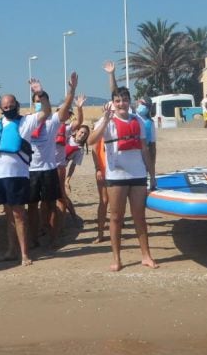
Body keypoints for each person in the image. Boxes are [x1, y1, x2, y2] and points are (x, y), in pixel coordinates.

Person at [88, 85, 158, 271]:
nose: (121, 103)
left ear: (130, 102)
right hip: (116, 176)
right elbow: (90, 141)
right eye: (117, 100)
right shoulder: (107, 122)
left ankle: (146, 256)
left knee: (139, 217)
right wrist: (104, 119)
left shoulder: (139, 121)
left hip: (138, 175)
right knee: (116, 218)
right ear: (112, 102)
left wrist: (152, 174)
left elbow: (144, 149)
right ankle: (117, 259)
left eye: (125, 100)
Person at [0, 88, 51, 265]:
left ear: (17, 106)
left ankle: (25, 254)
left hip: (17, 175)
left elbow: (46, 112)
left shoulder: (25, 122)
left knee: (19, 214)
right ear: (1, 108)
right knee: (8, 215)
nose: (8, 109)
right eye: (5, 106)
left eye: (11, 105)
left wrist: (41, 94)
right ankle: (11, 250)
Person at [26, 73, 77, 247]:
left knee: (51, 204)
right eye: (36, 100)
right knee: (32, 206)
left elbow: (67, 105)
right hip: (31, 170)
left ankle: (54, 238)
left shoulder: (53, 121)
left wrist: (72, 89)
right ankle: (34, 238)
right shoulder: (28, 120)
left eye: (41, 99)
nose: (39, 102)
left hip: (49, 168)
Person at [55, 94, 86, 223]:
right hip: (44, 168)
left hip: (58, 168)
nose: (64, 114)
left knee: (62, 196)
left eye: (67, 112)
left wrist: (79, 108)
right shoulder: (47, 125)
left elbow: (78, 122)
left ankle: (70, 218)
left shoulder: (67, 130)